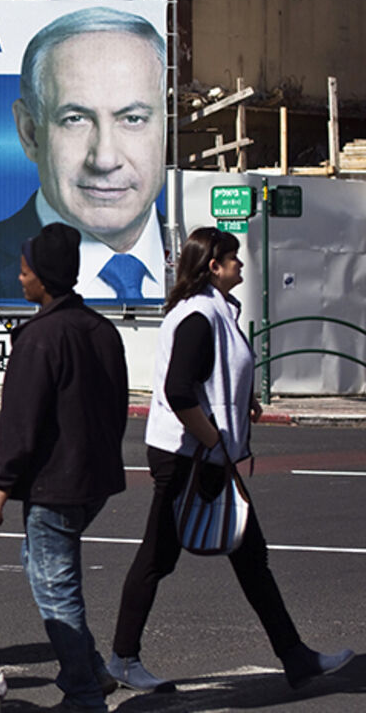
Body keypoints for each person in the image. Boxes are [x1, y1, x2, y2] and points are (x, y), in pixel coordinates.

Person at [107, 227, 355, 692]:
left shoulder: (217, 310)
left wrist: (241, 406)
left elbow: (211, 378)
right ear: (213, 267)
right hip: (186, 456)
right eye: (233, 259)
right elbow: (178, 390)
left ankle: (295, 657)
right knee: (159, 556)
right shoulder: (201, 315)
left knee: (249, 557)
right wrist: (214, 438)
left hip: (203, 453)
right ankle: (122, 658)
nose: (241, 265)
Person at [0, 7, 167, 303]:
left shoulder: (208, 262)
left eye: (132, 119)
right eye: (75, 119)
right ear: (29, 132)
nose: (104, 159)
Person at [0, 223, 128, 713]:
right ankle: (91, 671)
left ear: (44, 278)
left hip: (56, 483)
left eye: (25, 272)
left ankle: (84, 694)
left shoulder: (40, 338)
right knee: (44, 567)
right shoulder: (101, 329)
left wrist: (1, 484)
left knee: (56, 589)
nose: (20, 279)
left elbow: (21, 420)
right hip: (96, 479)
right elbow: (117, 406)